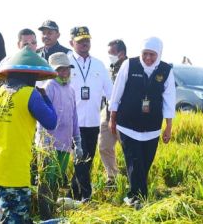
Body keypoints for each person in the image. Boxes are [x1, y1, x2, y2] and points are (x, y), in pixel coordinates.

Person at [0, 47, 58, 223]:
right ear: (33, 77)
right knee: (14, 219)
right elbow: (51, 122)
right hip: (13, 168)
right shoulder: (30, 94)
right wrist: (45, 98)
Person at [109, 37, 176, 209]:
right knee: (134, 160)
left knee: (145, 163)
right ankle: (139, 199)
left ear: (159, 54)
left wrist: (168, 126)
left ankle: (134, 196)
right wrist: (112, 118)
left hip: (152, 127)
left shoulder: (165, 70)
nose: (147, 58)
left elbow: (169, 99)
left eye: (152, 55)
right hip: (127, 124)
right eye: (145, 54)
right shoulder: (129, 65)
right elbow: (116, 93)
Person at [67, 26, 113, 202]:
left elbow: (110, 92)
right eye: (80, 41)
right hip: (73, 121)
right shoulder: (66, 63)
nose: (84, 44)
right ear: (71, 43)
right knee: (81, 158)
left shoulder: (98, 65)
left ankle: (73, 195)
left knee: (87, 160)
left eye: (87, 40)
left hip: (93, 121)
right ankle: (87, 195)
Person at [35, 52, 83, 219]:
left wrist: (78, 143)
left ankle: (52, 211)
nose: (64, 72)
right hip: (49, 144)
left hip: (64, 144)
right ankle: (44, 215)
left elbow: (74, 117)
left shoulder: (70, 89)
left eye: (66, 69)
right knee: (46, 181)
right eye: (60, 69)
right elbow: (42, 118)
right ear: (53, 71)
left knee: (56, 180)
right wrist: (45, 143)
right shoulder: (49, 87)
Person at [98, 39, 128, 187]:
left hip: (125, 114)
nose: (109, 56)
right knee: (104, 145)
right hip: (107, 112)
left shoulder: (130, 68)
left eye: (111, 53)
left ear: (121, 54)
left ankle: (133, 177)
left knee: (128, 148)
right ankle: (112, 177)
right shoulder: (109, 69)